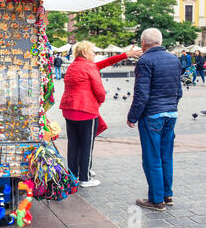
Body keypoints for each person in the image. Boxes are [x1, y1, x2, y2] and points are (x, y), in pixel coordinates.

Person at [60, 42, 142, 188]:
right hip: (85, 110)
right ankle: (85, 177)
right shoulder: (89, 67)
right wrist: (99, 101)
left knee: (73, 144)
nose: (94, 54)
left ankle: (73, 175)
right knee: (87, 144)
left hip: (69, 109)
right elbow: (100, 92)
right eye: (92, 51)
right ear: (85, 53)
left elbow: (105, 63)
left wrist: (125, 55)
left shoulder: (73, 66)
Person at [127, 28, 182, 212]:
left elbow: (141, 94)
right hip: (170, 113)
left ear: (143, 43)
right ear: (160, 41)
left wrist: (132, 116)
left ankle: (156, 199)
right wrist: (171, 106)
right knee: (166, 156)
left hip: (152, 115)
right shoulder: (174, 59)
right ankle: (167, 194)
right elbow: (178, 91)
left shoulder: (145, 60)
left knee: (152, 158)